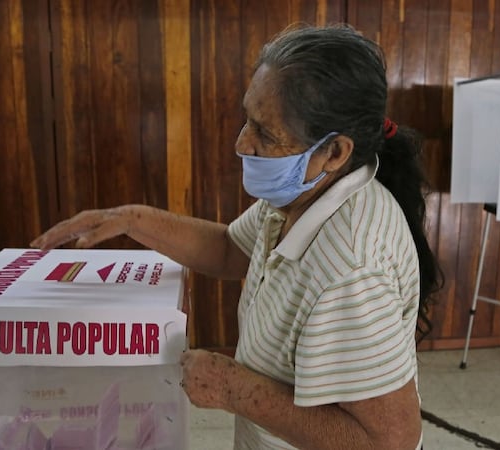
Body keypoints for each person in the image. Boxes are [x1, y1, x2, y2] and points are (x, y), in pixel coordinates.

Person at [31, 24, 440, 450]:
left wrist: (235, 390)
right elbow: (230, 249)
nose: (242, 143)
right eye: (248, 118)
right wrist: (132, 219)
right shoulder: (299, 196)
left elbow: (390, 442)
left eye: (265, 133)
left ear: (334, 152)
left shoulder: (352, 269)